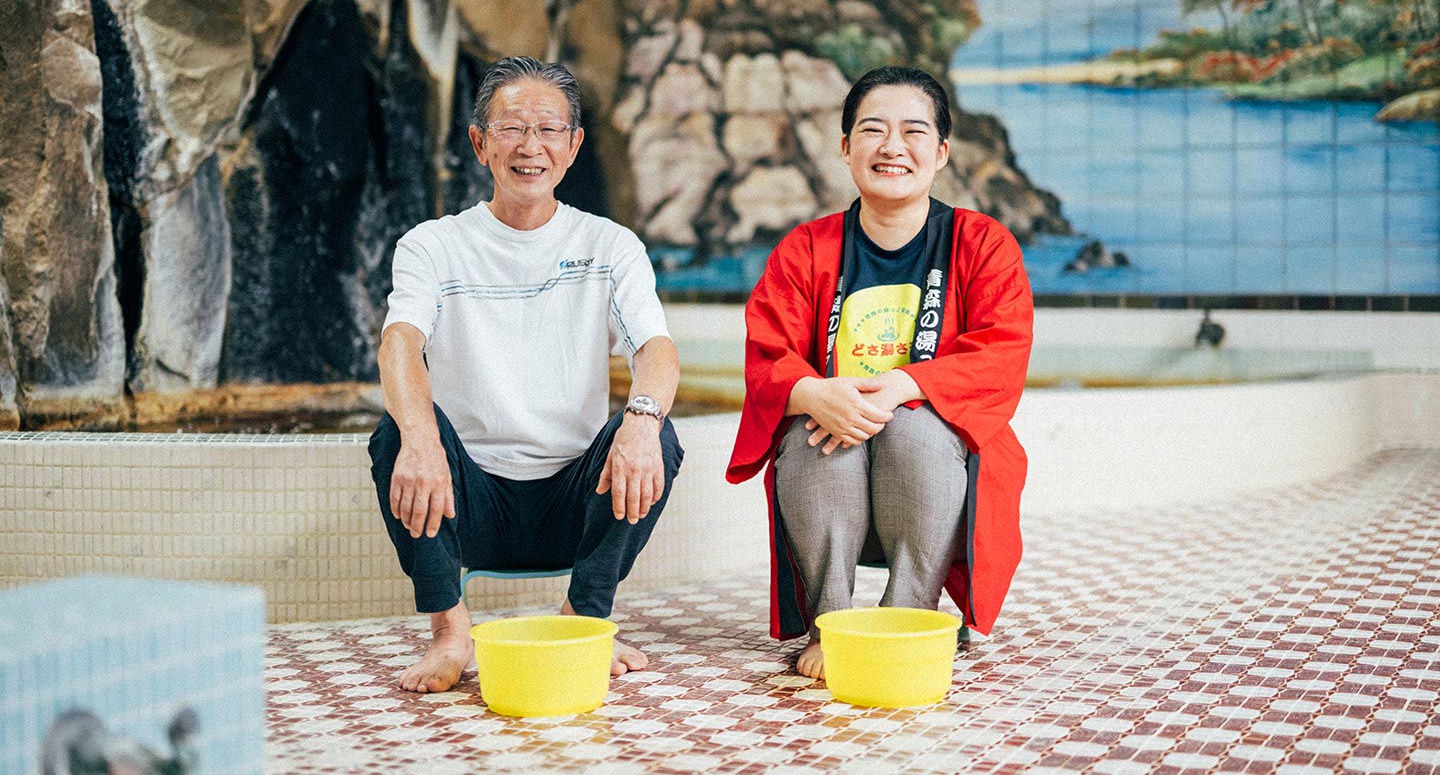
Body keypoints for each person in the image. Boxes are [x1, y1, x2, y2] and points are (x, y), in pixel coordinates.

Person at [369, 56, 683, 693]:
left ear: (573, 146)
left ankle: (582, 622)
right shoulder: (432, 244)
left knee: (658, 435)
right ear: (480, 143)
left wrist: (643, 419)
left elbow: (655, 348)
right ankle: (450, 634)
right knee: (395, 434)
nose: (530, 146)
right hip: (467, 498)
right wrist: (422, 437)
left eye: (548, 129)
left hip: (575, 497)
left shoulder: (609, 245)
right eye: (512, 128)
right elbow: (400, 341)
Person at [726, 65, 1033, 679]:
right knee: (813, 435)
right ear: (845, 147)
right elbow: (768, 353)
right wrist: (813, 391)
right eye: (872, 130)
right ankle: (832, 623)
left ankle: (910, 616)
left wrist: (904, 385)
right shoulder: (806, 249)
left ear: (941, 152)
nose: (893, 147)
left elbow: (1001, 348)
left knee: (914, 428)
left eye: (914, 131)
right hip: (832, 445)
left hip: (929, 451)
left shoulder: (981, 243)